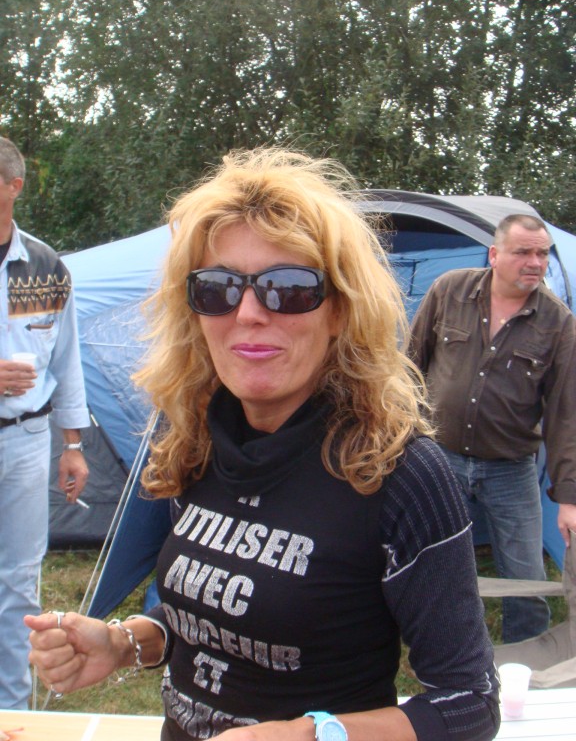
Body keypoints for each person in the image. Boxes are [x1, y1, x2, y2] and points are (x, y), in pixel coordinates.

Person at [26, 148, 499, 741]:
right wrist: (123, 642)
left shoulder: (396, 471)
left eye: (289, 288)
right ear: (194, 312)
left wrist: (305, 735)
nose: (248, 313)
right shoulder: (191, 436)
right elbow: (216, 616)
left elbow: (469, 704)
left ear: (340, 311)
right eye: (218, 288)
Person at [409, 213, 576, 644]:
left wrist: (569, 498)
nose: (535, 262)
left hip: (511, 469)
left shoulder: (558, 323)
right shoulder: (450, 290)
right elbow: (411, 365)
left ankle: (527, 656)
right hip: (440, 457)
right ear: (495, 254)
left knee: (526, 578)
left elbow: (565, 414)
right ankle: (447, 651)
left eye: (542, 253)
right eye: (523, 252)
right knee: (435, 565)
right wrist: (402, 439)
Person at [0, 137, 90, 708]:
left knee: (18, 580)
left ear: (14, 187)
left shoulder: (45, 266)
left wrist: (73, 444)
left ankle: (12, 711)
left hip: (27, 440)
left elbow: (67, 359)